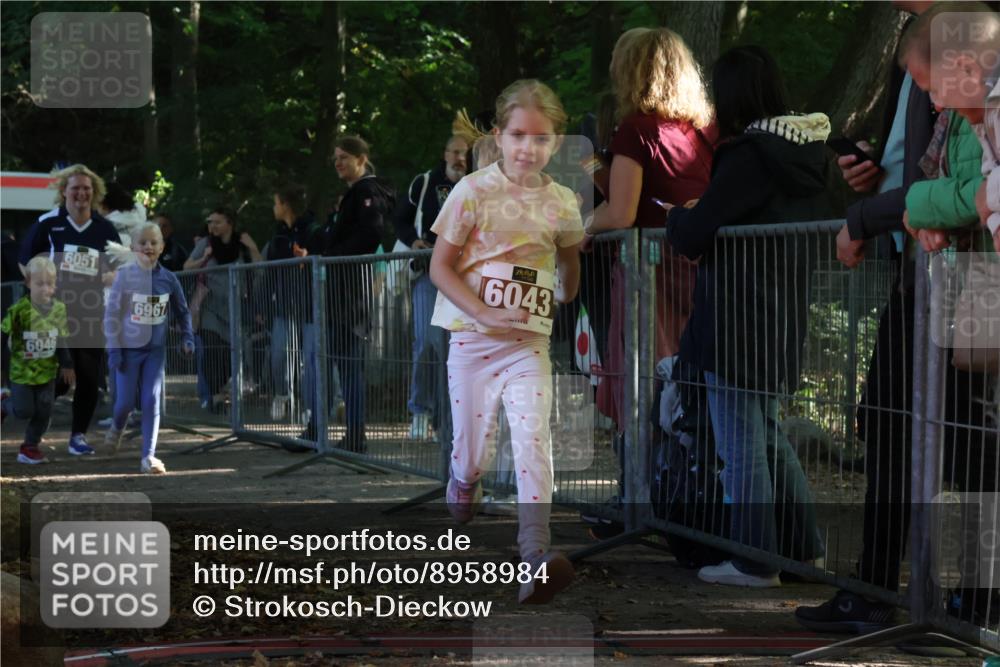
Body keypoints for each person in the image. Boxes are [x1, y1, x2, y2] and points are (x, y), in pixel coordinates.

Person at [795, 0, 940, 632]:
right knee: (887, 423)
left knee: (950, 442)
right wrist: (870, 174)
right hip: (916, 268)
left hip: (958, 273)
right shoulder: (917, 36)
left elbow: (959, 178)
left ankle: (946, 603)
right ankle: (883, 591)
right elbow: (915, 165)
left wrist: (862, 218)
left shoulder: (972, 36)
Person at [665, 46, 832, 588]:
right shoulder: (808, 156)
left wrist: (680, 218)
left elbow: (695, 234)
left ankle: (754, 559)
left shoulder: (747, 155)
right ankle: (805, 550)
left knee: (741, 444)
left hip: (734, 320)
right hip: (780, 318)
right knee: (766, 436)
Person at [429, 79, 584, 604]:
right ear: (498, 136)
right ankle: (462, 480)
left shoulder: (562, 201)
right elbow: (440, 267)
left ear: (556, 143)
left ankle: (535, 554)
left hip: (526, 346)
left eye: (541, 139)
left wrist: (563, 287)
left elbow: (568, 259)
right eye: (518, 135)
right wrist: (483, 309)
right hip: (473, 342)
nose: (528, 148)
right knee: (473, 454)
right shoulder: (472, 191)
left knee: (533, 438)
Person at [585, 27, 716, 432]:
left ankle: (640, 486)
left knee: (643, 380)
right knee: (692, 377)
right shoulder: (704, 131)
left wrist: (579, 226)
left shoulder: (636, 130)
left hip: (651, 272)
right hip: (700, 267)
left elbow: (621, 212)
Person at [19, 164, 120, 455]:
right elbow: (25, 261)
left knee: (88, 378)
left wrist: (112, 276)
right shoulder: (49, 224)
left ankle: (78, 437)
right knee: (56, 380)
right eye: (75, 188)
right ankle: (28, 427)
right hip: (53, 314)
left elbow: (117, 267)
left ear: (95, 192)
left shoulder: (105, 228)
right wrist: (38, 289)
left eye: (87, 188)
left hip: (90, 314)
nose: (81, 193)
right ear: (64, 192)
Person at [302, 136, 395, 452]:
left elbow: (371, 235)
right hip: (341, 292)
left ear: (361, 158)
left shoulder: (367, 191)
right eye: (335, 158)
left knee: (349, 365)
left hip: (351, 294)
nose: (338, 163)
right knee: (339, 364)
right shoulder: (356, 194)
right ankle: (326, 430)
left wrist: (332, 256)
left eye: (344, 157)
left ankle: (355, 435)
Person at [393, 134, 469, 440]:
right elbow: (399, 218)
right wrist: (414, 241)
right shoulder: (424, 182)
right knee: (426, 342)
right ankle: (420, 411)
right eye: (454, 152)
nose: (459, 158)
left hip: (463, 277)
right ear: (445, 153)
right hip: (428, 272)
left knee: (451, 349)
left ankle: (445, 420)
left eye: (464, 153)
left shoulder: (477, 183)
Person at [103, 222, 195, 473]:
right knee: (124, 404)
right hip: (127, 352)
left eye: (153, 242)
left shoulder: (169, 279)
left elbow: (183, 312)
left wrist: (188, 338)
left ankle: (149, 457)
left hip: (155, 351)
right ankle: (117, 427)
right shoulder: (124, 277)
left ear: (162, 247)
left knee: (151, 401)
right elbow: (111, 315)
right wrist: (113, 350)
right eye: (142, 243)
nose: (148, 247)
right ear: (133, 248)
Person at [184, 207, 261, 407]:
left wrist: (253, 248)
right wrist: (204, 258)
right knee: (211, 347)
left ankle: (228, 390)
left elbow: (260, 269)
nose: (212, 226)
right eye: (210, 222)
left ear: (229, 223)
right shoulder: (205, 243)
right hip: (210, 305)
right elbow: (186, 267)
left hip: (236, 307)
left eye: (217, 222)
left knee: (230, 350)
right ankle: (216, 395)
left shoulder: (242, 244)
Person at [0, 257, 75, 464]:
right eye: (39, 284)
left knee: (44, 411)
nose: (45, 289)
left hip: (47, 371)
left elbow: (61, 337)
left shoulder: (59, 309)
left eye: (49, 284)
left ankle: (30, 447)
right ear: (28, 284)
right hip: (21, 372)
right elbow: (3, 335)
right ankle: (4, 404)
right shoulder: (19, 310)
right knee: (24, 411)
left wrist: (67, 364)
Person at [265, 183, 316, 422]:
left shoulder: (313, 229)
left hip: (309, 304)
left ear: (285, 205)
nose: (273, 208)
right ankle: (282, 395)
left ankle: (309, 407)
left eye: (276, 203)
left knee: (310, 358)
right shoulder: (277, 234)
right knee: (279, 353)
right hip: (284, 305)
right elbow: (269, 272)